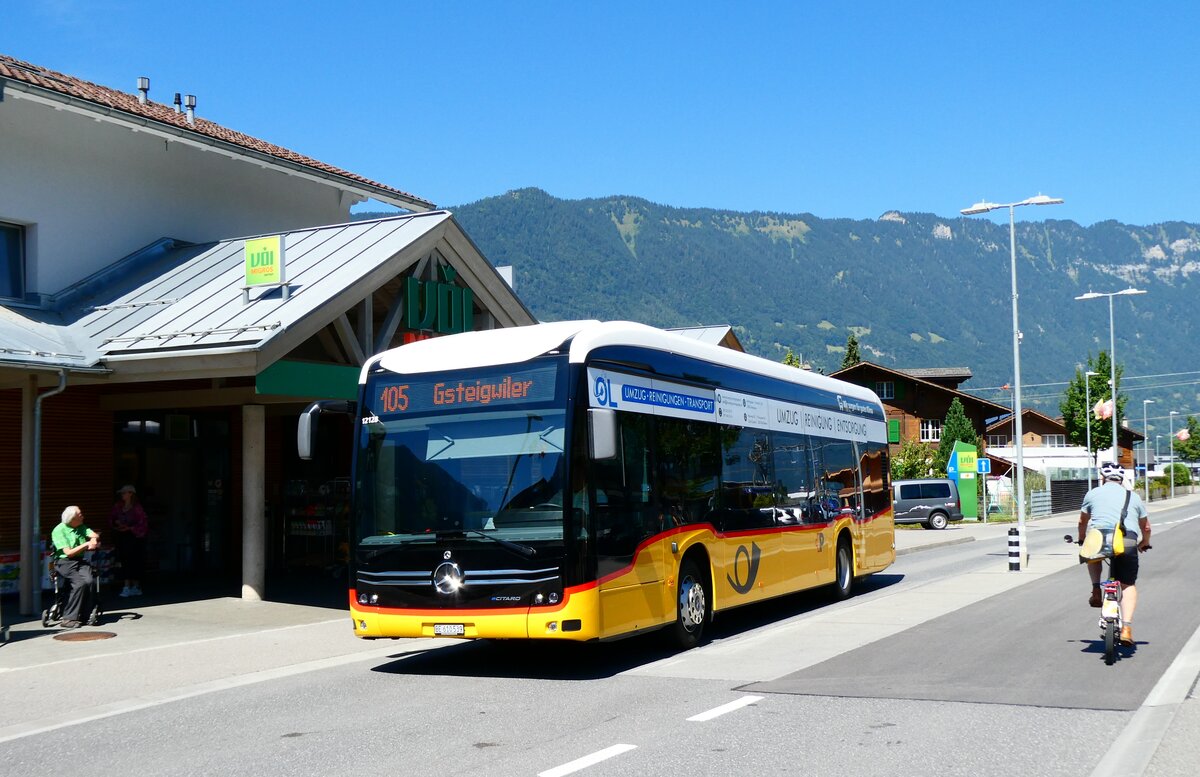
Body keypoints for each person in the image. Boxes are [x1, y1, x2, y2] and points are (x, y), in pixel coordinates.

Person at [1078, 462, 1151, 646]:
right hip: (1126, 540)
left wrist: (1081, 539)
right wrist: (1145, 542)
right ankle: (1126, 628)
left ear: (1102, 478)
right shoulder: (1133, 496)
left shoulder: (1092, 494)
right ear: (1122, 480)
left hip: (1100, 537)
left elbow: (1082, 522)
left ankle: (1096, 589)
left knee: (1092, 553)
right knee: (1127, 585)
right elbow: (1146, 527)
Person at [50, 505, 100, 628]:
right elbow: (68, 552)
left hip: (79, 560)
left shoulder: (80, 526)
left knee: (89, 581)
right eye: (80, 515)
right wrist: (87, 544)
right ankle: (68, 618)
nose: (83, 516)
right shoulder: (59, 530)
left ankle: (84, 614)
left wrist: (93, 540)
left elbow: (94, 535)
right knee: (79, 584)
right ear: (72, 519)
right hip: (64, 561)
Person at [110, 484, 148, 597]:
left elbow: (143, 523)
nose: (122, 495)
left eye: (124, 493)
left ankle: (136, 586)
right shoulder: (118, 506)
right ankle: (126, 586)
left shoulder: (137, 508)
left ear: (131, 494)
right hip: (122, 536)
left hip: (135, 538)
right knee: (124, 560)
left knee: (135, 561)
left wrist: (130, 528)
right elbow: (112, 518)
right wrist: (117, 523)